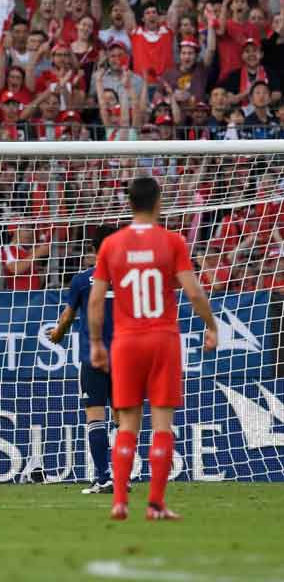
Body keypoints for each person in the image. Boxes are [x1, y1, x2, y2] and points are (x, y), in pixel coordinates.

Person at [88, 177, 218, 521]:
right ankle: (156, 503)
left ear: (129, 204)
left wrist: (96, 343)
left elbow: (97, 301)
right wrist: (211, 324)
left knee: (128, 422)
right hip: (162, 339)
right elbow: (192, 292)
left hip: (126, 342)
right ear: (158, 202)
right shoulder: (172, 242)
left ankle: (119, 501)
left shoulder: (111, 245)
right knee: (162, 423)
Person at [48, 226, 117, 494]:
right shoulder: (129, 280)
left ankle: (103, 478)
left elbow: (66, 318)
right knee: (123, 419)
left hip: (94, 357)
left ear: (92, 247)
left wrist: (57, 334)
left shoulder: (82, 280)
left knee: (95, 417)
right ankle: (122, 478)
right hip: (125, 358)